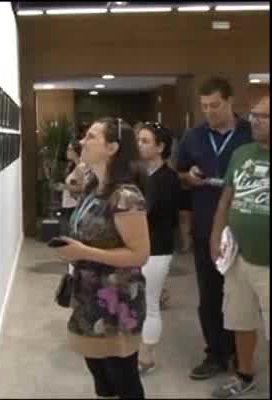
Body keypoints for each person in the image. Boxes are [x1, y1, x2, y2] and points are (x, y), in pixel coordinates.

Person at [52, 117, 150, 399]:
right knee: (101, 378)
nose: (83, 141)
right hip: (88, 295)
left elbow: (139, 254)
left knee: (124, 380)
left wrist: (83, 252)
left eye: (91, 137)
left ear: (112, 148)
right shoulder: (93, 186)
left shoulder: (126, 196)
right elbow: (73, 183)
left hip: (116, 302)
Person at [176, 76, 252, 379]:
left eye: (215, 105)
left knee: (243, 296)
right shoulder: (193, 136)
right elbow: (179, 171)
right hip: (207, 227)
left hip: (245, 228)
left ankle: (240, 355)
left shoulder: (250, 133)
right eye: (205, 106)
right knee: (210, 296)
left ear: (231, 102)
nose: (209, 111)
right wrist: (187, 176)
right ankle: (215, 355)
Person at [209, 95, 270, 398]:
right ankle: (244, 375)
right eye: (254, 114)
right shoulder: (242, 153)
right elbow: (226, 198)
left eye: (264, 116)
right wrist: (216, 234)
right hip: (238, 258)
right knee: (240, 320)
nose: (255, 120)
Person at [135, 122, 181, 374]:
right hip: (139, 246)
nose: (139, 145)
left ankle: (147, 356)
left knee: (150, 303)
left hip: (157, 249)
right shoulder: (142, 175)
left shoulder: (167, 178)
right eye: (138, 140)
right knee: (138, 301)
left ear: (160, 147)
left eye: (145, 141)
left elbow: (151, 214)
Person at [54, 139, 85, 234]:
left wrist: (65, 187)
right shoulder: (72, 165)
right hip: (68, 203)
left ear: (76, 152)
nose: (67, 152)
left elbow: (83, 188)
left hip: (74, 205)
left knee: (69, 232)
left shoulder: (81, 167)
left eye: (70, 149)